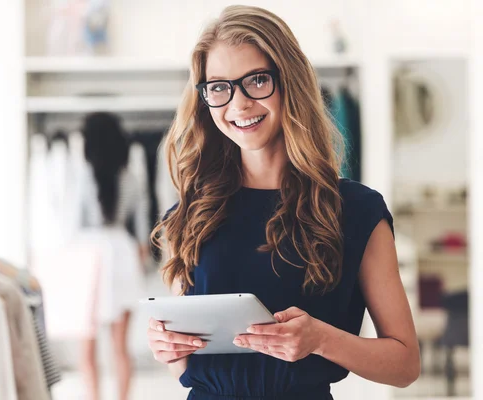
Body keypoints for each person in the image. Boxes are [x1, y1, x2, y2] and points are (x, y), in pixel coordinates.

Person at [147, 5, 420, 400]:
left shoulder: (357, 211)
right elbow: (187, 367)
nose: (238, 105)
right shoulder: (188, 215)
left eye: (256, 80)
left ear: (288, 81)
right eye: (220, 86)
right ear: (205, 97)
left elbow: (405, 365)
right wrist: (168, 349)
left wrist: (320, 339)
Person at [75, 112, 149, 400]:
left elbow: (73, 224)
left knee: (87, 347)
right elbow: (142, 224)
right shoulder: (129, 176)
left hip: (89, 257)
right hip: (122, 253)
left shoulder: (83, 177)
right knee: (121, 347)